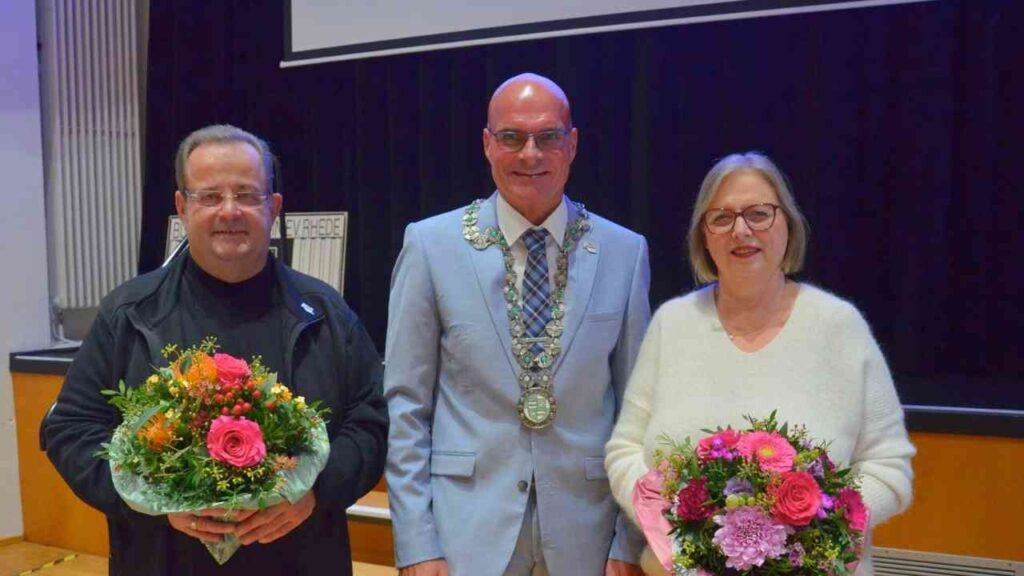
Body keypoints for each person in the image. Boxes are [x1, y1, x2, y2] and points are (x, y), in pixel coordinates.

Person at [44, 124, 388, 575]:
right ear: (182, 207)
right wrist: (148, 499)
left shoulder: (324, 312)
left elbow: (371, 422)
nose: (230, 211)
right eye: (210, 197)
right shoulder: (128, 313)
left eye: (247, 195)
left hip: (302, 557)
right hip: (164, 559)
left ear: (273, 207)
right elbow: (70, 429)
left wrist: (314, 493)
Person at [384, 73, 649, 576]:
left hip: (588, 538)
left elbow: (638, 415)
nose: (531, 154)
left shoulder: (624, 252)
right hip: (466, 533)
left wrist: (629, 540)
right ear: (487, 145)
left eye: (548, 137)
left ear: (572, 144)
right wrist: (417, 542)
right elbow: (407, 408)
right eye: (512, 137)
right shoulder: (430, 246)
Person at [604, 152, 915, 575]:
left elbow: (890, 467)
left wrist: (809, 534)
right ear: (704, 236)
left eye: (759, 214)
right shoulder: (671, 325)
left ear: (788, 224)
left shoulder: (840, 327)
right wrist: (675, 529)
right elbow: (624, 452)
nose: (741, 230)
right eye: (722, 218)